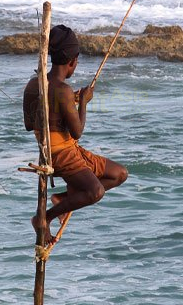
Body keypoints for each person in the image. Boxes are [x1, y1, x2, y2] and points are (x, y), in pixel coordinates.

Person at [23, 25, 129, 243]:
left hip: (63, 149)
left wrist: (69, 102)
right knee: (95, 192)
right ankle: (44, 218)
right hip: (61, 154)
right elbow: (78, 131)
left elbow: (28, 124)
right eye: (77, 62)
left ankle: (62, 199)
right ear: (72, 60)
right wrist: (83, 103)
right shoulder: (62, 90)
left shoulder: (34, 84)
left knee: (119, 174)